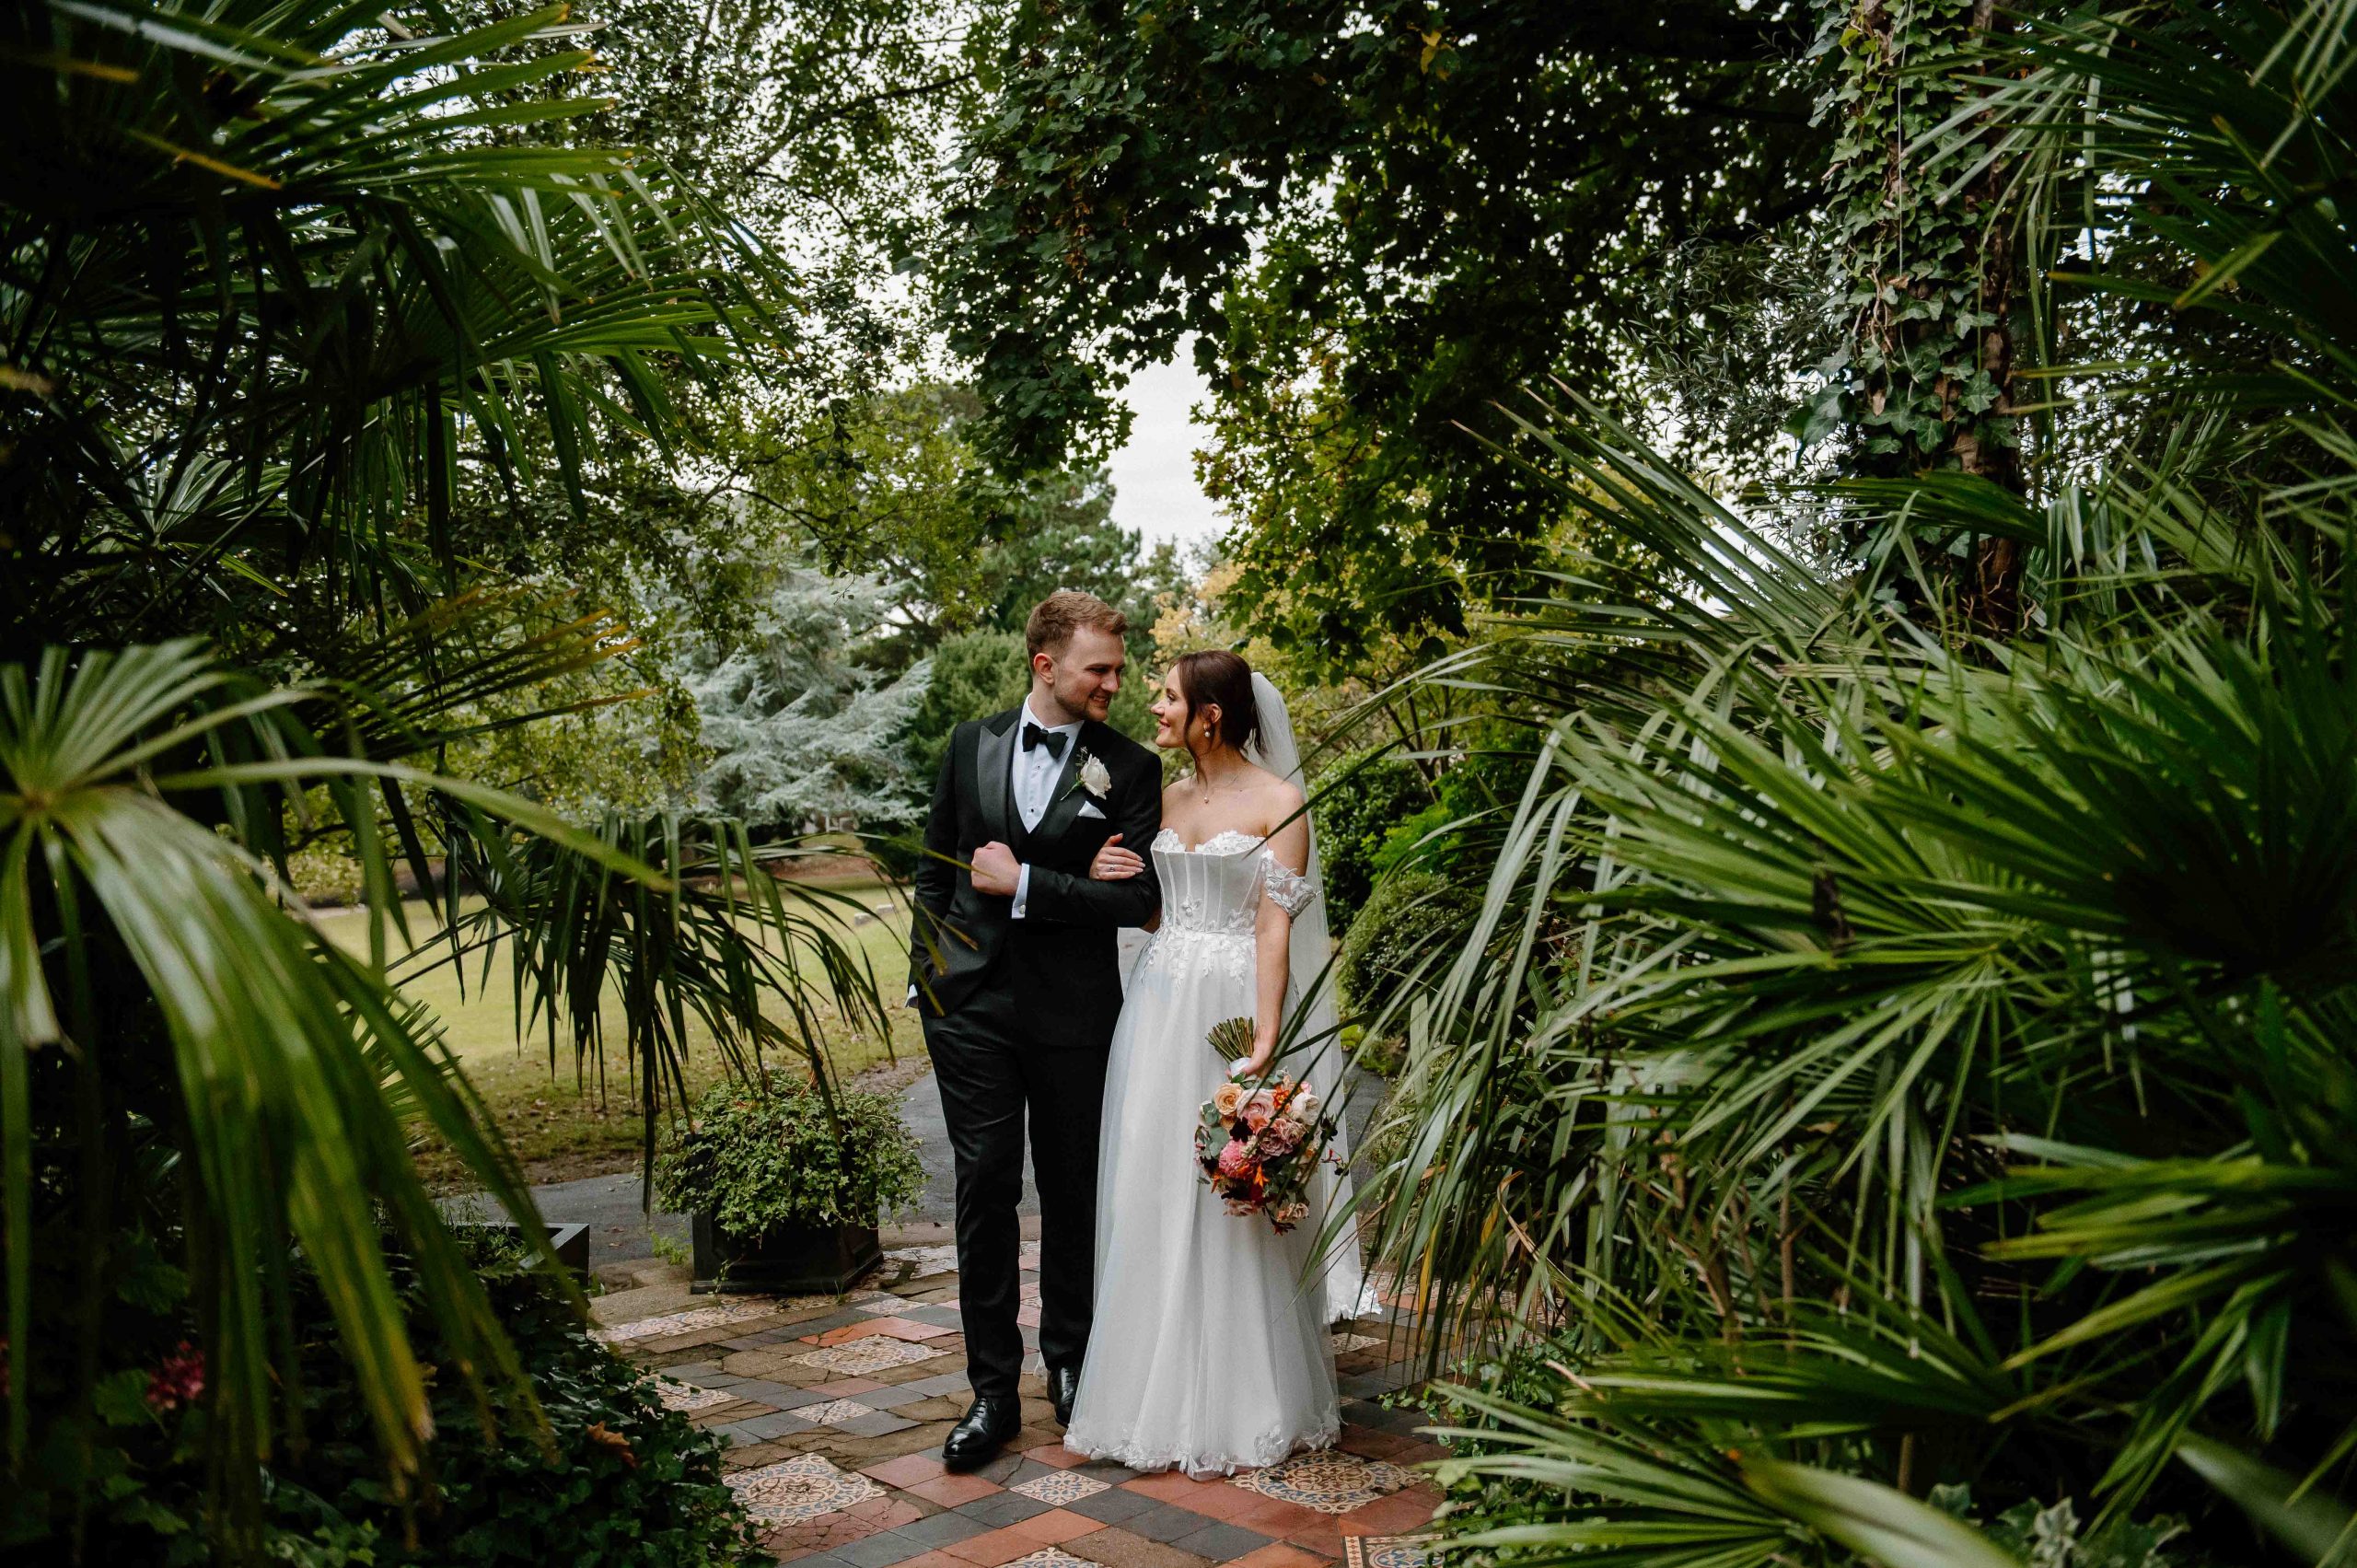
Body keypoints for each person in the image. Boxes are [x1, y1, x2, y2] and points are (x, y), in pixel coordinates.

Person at [1061, 649, 1365, 1476]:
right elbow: (1148, 904)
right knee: (1154, 1180)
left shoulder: (1280, 802)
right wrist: (1098, 870)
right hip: (1159, 1005)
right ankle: (1145, 1389)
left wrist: (1264, 1041)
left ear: (1212, 714)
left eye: (1169, 697)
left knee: (1232, 1182)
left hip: (1231, 1006)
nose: (1155, 708)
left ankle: (1247, 1397)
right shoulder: (1164, 797)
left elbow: (1273, 927)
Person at [908, 590, 1165, 1472]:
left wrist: (1027, 882)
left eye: (1120, 669)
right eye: (1100, 669)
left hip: (1074, 1010)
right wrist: (930, 976)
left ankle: (1072, 1361)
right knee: (983, 1186)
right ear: (1045, 665)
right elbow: (937, 867)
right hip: (969, 1007)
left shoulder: (1129, 768)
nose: (1115, 684)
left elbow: (1140, 899)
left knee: (1071, 1187)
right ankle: (991, 1390)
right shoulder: (968, 744)